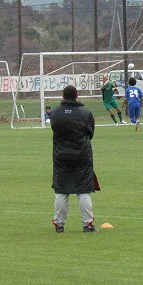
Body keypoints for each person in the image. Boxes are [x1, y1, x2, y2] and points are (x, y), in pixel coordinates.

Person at [50, 85, 97, 233]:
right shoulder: (85, 113)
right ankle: (87, 224)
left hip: (61, 155)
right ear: (76, 95)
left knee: (61, 190)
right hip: (81, 155)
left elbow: (54, 128)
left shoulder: (55, 113)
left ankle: (59, 224)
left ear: (63, 96)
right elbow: (90, 132)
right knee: (83, 190)